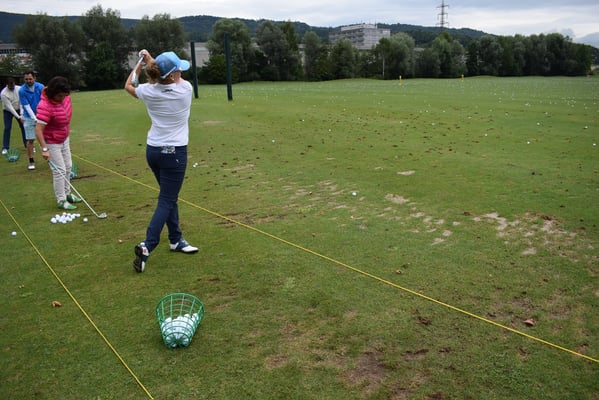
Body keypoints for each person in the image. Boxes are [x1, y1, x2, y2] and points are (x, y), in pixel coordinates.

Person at [125, 49, 198, 273]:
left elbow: (129, 85)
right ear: (173, 75)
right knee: (167, 199)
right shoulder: (185, 89)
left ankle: (176, 239)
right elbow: (173, 77)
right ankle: (148, 245)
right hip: (174, 153)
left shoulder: (148, 91)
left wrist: (141, 63)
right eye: (178, 70)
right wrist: (151, 61)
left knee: (169, 197)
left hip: (154, 152)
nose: (181, 72)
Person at [35, 76, 82, 210]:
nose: (62, 98)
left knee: (68, 166)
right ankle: (61, 200)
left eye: (64, 95)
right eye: (59, 96)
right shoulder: (45, 106)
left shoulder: (65, 97)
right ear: (53, 93)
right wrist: (44, 149)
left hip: (64, 138)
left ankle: (67, 194)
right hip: (51, 142)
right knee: (59, 170)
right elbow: (38, 129)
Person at [19, 71, 44, 170]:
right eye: (26, 79)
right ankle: (31, 161)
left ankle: (51, 158)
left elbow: (44, 100)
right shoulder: (22, 90)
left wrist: (41, 115)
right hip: (28, 117)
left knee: (46, 138)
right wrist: (34, 118)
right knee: (30, 140)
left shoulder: (40, 87)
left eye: (30, 79)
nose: (28, 81)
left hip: (41, 114)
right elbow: (26, 106)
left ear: (34, 78)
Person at [1, 78, 27, 154]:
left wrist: (21, 114)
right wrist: (18, 117)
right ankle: (5, 147)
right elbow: (10, 107)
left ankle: (27, 144)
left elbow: (22, 102)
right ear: (7, 85)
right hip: (8, 111)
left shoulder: (19, 89)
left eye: (13, 85)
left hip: (19, 109)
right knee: (7, 128)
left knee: (23, 126)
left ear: (14, 83)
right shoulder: (3, 93)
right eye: (10, 86)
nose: (12, 87)